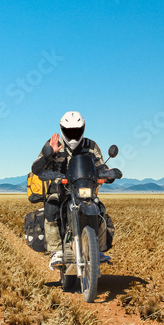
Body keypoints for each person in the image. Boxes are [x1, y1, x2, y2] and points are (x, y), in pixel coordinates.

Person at [30, 111, 110, 270]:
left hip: (84, 188)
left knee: (99, 209)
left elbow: (101, 166)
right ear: (62, 129)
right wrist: (49, 155)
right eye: (69, 131)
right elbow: (36, 167)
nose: (73, 136)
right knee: (51, 208)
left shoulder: (91, 146)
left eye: (76, 131)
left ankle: (97, 250)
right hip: (60, 187)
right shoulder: (52, 143)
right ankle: (56, 251)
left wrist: (109, 173)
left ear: (83, 129)